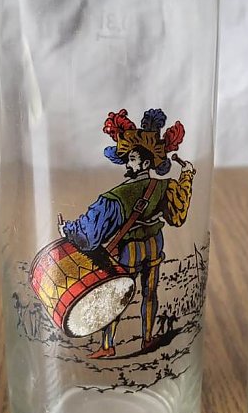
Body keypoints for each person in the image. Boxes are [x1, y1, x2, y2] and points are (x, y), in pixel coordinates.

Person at [62, 108, 194, 359]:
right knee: (150, 292)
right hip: (154, 245)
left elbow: (89, 235)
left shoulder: (116, 196)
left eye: (132, 159)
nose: (128, 164)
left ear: (145, 163)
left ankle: (108, 345)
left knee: (116, 296)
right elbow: (178, 215)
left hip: (128, 251)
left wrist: (68, 230)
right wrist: (186, 174)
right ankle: (147, 338)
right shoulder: (164, 186)